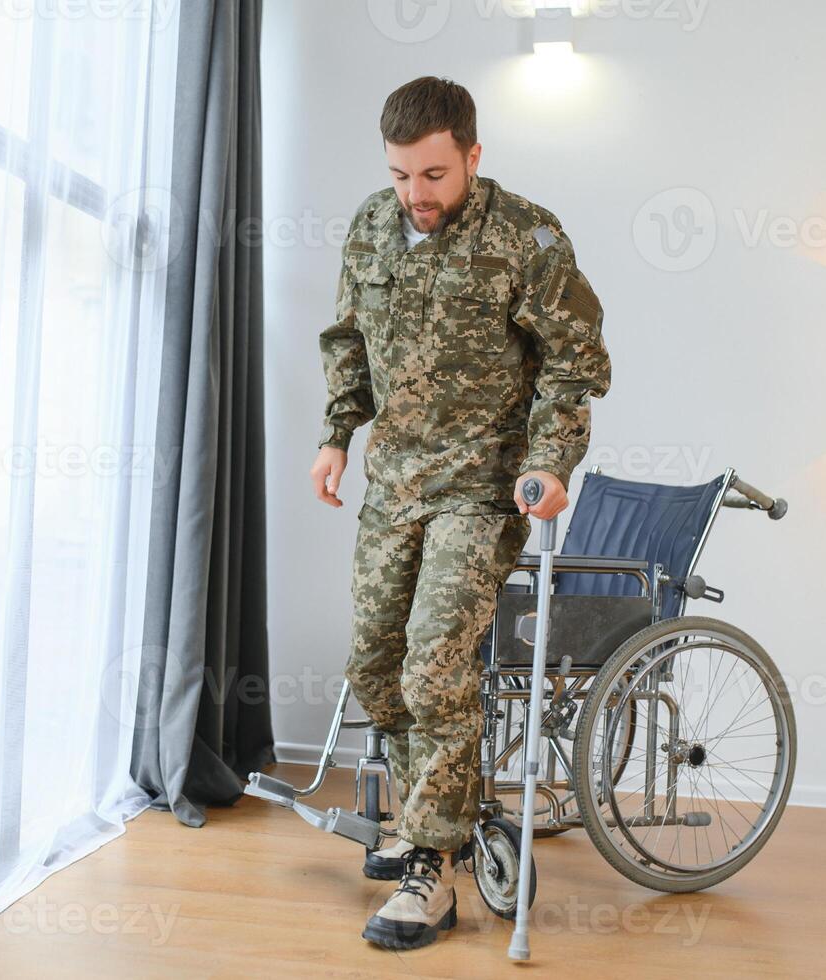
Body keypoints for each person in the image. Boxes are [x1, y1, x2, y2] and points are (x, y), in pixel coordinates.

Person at [311, 75, 611, 951]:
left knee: (433, 665)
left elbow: (573, 360)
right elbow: (346, 338)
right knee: (374, 662)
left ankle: (429, 871)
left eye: (434, 174)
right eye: (402, 175)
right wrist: (336, 434)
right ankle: (427, 816)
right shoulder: (371, 224)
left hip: (481, 488)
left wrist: (550, 461)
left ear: (472, 157)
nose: (416, 194)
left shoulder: (527, 235)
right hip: (393, 480)